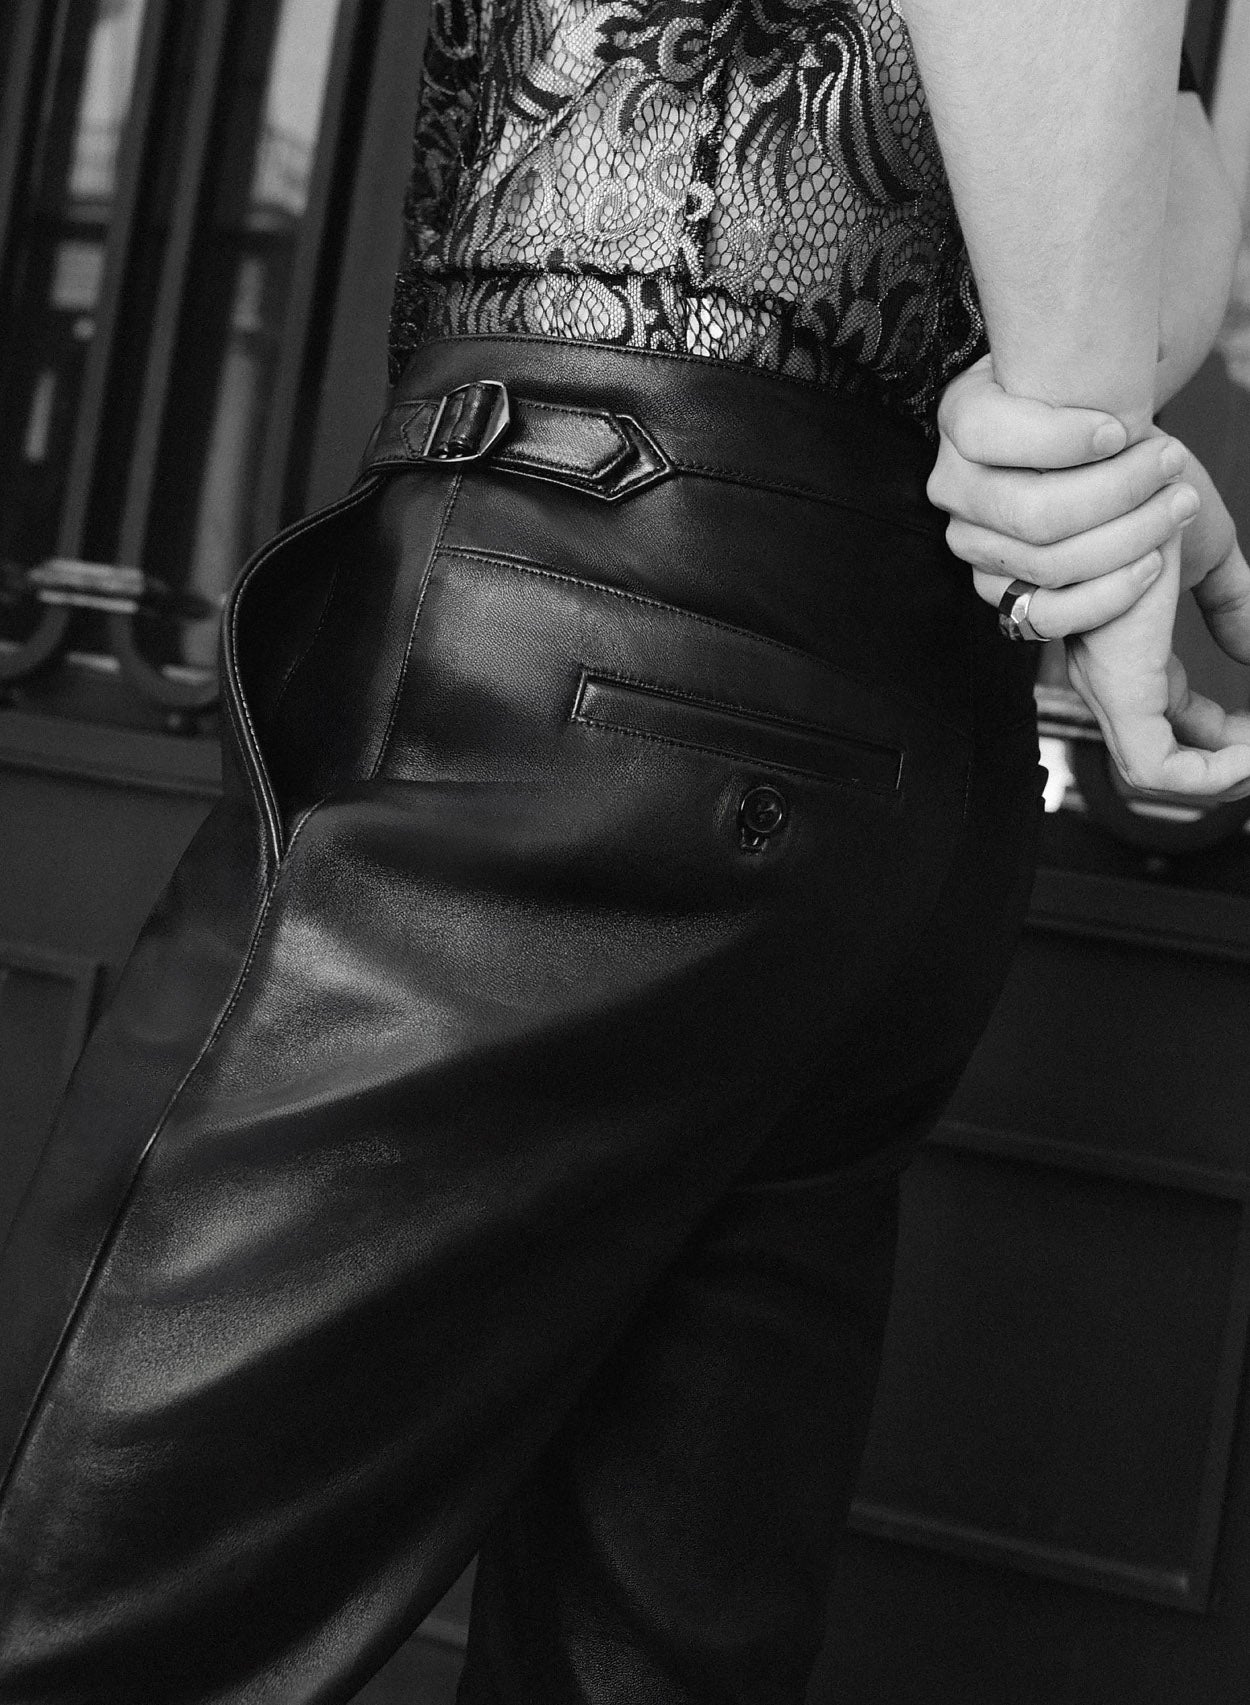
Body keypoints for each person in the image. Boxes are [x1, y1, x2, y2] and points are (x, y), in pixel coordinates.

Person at [0, 3, 1244, 1702]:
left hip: (588, 618)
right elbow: (1160, 192)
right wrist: (1081, 457)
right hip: (887, 721)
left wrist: (1073, 455)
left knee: (66, 1595)